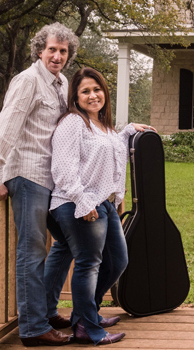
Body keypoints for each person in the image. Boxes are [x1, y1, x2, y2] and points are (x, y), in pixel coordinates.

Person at [0, 22, 79, 347]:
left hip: (52, 178)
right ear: (40, 50)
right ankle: (34, 328)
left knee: (66, 240)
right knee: (32, 250)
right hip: (27, 175)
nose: (57, 56)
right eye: (52, 49)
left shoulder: (62, 83)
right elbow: (6, 126)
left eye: (63, 51)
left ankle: (47, 311)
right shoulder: (27, 81)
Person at [48, 67, 156, 345]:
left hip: (103, 203)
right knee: (89, 264)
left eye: (97, 89)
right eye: (85, 91)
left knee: (118, 261)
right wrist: (83, 203)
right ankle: (86, 326)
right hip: (78, 204)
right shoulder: (72, 122)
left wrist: (128, 130)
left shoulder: (103, 126)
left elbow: (109, 151)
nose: (93, 95)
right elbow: (62, 169)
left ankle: (87, 313)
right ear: (76, 96)